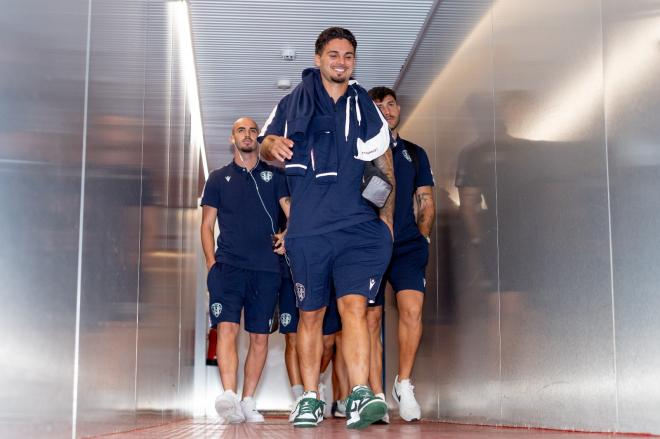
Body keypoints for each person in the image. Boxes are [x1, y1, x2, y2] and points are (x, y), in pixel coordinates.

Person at [259, 27, 395, 429]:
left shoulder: (363, 105)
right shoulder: (291, 102)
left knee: (354, 307)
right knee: (311, 314)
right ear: (319, 59)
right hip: (309, 230)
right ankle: (310, 399)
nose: (341, 62)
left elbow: (383, 161)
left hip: (356, 226)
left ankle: (360, 394)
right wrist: (271, 147)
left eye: (349, 56)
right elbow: (265, 144)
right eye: (334, 54)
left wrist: (386, 222)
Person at [200, 117, 290, 424]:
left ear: (258, 139)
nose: (248, 135)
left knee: (260, 337)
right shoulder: (217, 178)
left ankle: (248, 400)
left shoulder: (276, 176)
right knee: (227, 328)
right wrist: (212, 264)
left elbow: (293, 213)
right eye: (241, 130)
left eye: (253, 131)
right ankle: (228, 395)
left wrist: (287, 236)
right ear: (232, 139)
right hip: (228, 267)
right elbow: (206, 225)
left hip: (267, 269)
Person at [367, 86, 436, 422]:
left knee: (412, 310)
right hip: (370, 245)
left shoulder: (414, 152)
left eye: (391, 104)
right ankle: (375, 395)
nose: (386, 110)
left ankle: (404, 383)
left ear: (399, 110)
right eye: (377, 105)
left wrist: (422, 237)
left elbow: (426, 198)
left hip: (407, 246)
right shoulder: (359, 152)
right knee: (371, 320)